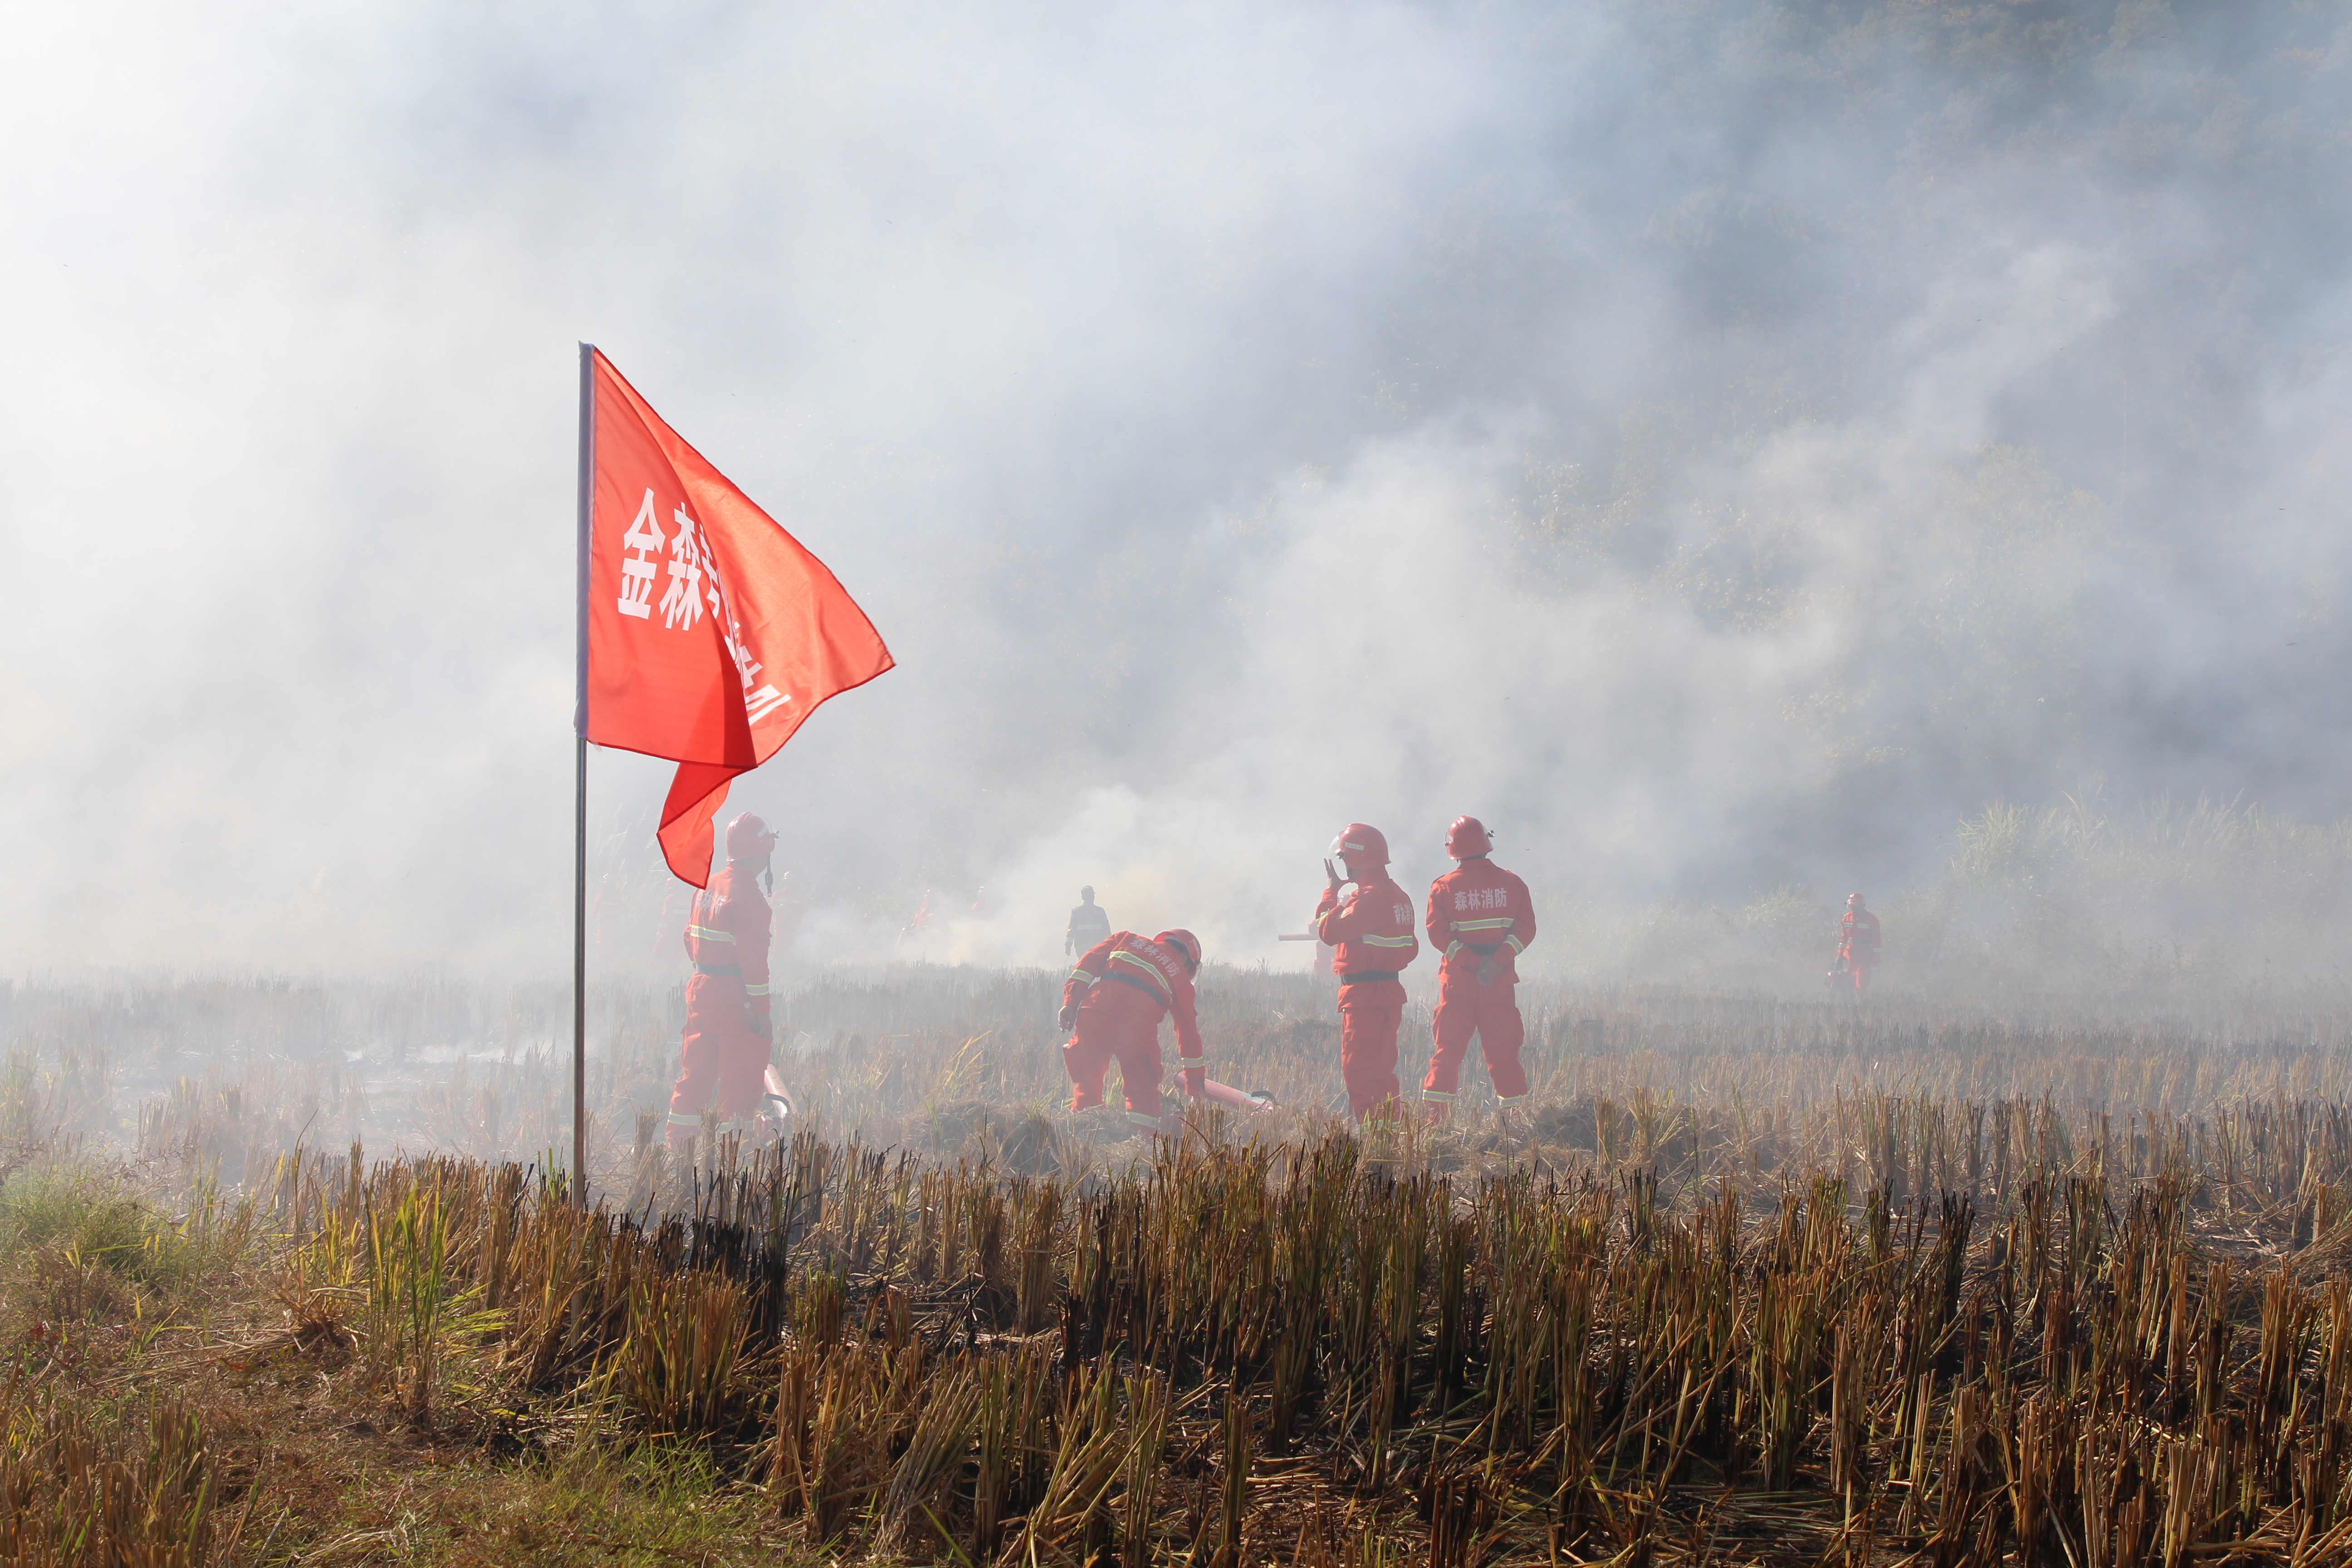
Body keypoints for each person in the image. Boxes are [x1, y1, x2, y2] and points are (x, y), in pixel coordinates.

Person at [666, 812, 781, 1152]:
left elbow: (689, 939)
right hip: (734, 1000)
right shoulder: (749, 898)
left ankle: (678, 1150)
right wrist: (761, 1012)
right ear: (762, 853)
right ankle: (734, 1153)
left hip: (701, 990)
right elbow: (755, 968)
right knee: (740, 1080)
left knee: (696, 1074)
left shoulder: (707, 885)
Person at [1421, 816, 1535, 1124]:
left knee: (1447, 1054)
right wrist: (1496, 962)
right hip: (1498, 983)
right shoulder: (1512, 883)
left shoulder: (1443, 887)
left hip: (1458, 983)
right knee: (1505, 1056)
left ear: (1453, 848)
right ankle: (1515, 1124)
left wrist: (1472, 963)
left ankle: (1436, 1124)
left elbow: (1438, 934)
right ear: (1487, 845)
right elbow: (1525, 930)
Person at [1313, 824, 1420, 1121]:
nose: (1343, 865)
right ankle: (1386, 1142)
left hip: (1365, 999)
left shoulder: (1369, 898)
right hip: (1387, 995)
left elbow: (1328, 930)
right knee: (1382, 1075)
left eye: (1344, 859)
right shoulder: (1399, 896)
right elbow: (1410, 949)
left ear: (1354, 860)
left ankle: (1375, 1150)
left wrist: (1331, 892)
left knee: (1360, 1073)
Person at [1060, 928, 1205, 1135]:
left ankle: (1082, 1136)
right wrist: (1193, 1088)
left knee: (1088, 1081)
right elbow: (1188, 1034)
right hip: (1135, 1028)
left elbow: (1087, 964)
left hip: (1093, 1013)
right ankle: (1141, 1145)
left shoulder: (1127, 939)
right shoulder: (1180, 976)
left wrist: (1071, 1003)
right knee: (1143, 1090)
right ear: (1187, 960)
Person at [1835, 892, 1882, 995]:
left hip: (1865, 954)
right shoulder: (1846, 918)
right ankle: (1850, 1003)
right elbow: (1843, 939)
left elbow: (1877, 940)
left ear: (1862, 905)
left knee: (1862, 980)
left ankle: (1861, 1003)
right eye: (1852, 906)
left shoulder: (1871, 919)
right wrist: (1840, 957)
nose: (1854, 909)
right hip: (1850, 954)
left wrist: (1876, 958)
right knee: (1849, 980)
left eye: (1856, 906)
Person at [1066, 886, 1112, 956]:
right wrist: (1110, 945)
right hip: (1098, 946)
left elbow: (1071, 930)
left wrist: (1068, 945)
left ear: (1083, 897)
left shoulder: (1076, 912)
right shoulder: (1100, 911)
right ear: (1093, 897)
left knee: (1084, 966)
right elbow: (1107, 931)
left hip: (1081, 946)